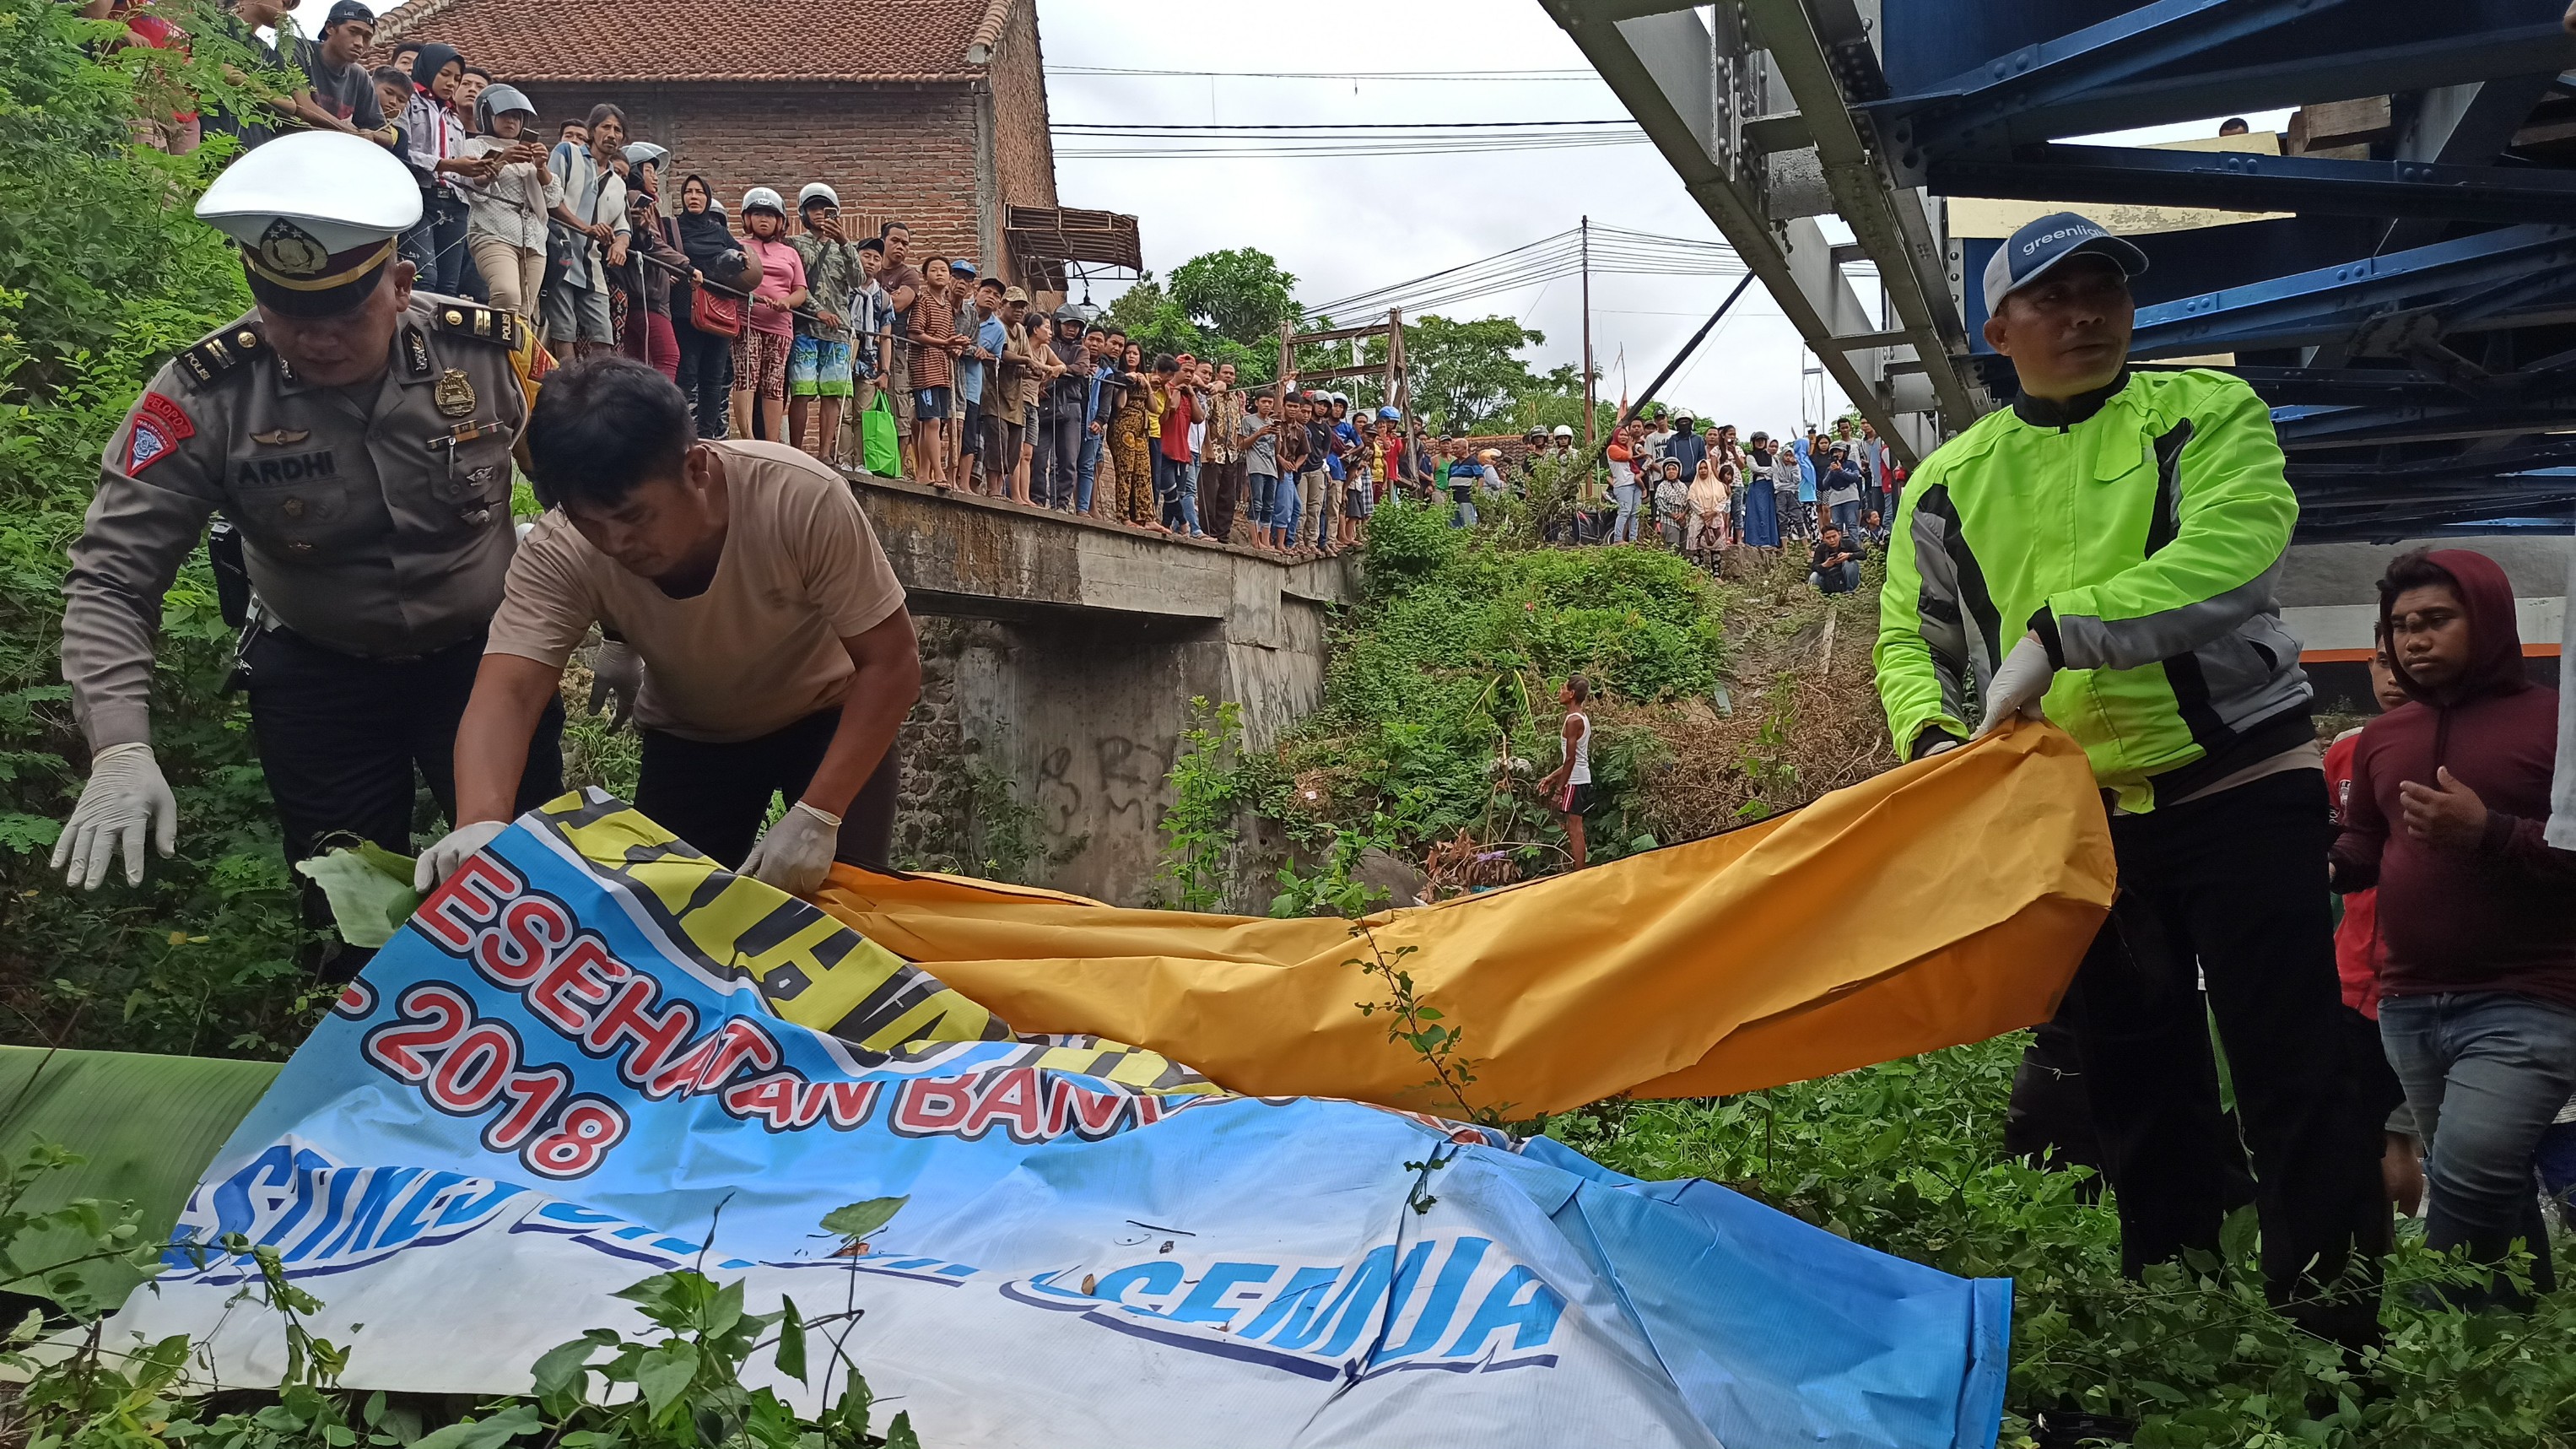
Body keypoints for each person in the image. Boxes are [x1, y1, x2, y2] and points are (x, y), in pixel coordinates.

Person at [1876, 209, 2384, 1351]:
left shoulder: (2209, 413)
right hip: (2083, 820)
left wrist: (2060, 632)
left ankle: (2339, 1342)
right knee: (2137, 1084)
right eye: (2051, 298)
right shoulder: (1949, 483)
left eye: (2102, 290)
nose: (2084, 314)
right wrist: (1925, 736)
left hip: (2240, 781)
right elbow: (1912, 641)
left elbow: (2233, 554)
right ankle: (2177, 1324)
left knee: (2293, 1067)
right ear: (1996, 326)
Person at [51, 132, 560, 976]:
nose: (313, 339)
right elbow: (113, 572)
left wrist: (623, 628)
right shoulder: (205, 396)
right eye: (287, 314)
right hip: (321, 676)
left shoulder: (492, 353)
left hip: (487, 661)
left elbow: (585, 492)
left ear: (400, 285)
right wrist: (119, 744)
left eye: (341, 314)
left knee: (531, 887)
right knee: (342, 917)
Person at [425, 357, 921, 896]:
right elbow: (511, 689)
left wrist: (820, 813)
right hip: (692, 735)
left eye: (636, 517)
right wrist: (479, 818)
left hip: (828, 717)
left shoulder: (798, 497)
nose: (616, 544)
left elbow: (890, 661)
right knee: (670, 927)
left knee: (852, 912)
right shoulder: (559, 548)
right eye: (591, 523)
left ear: (695, 469)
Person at [2330, 549, 2576, 1310]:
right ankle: (2513, 1340)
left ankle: (2425, 1337)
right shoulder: (2383, 736)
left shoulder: (2555, 724)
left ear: (2488, 618)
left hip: (2530, 995)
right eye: (2400, 626)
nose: (2413, 640)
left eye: (2435, 620)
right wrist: (2308, 862)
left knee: (2468, 1169)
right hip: (2408, 1002)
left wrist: (2489, 831)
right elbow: (2363, 851)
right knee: (2489, 1181)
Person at [2324, 636, 2428, 1226]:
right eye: (2382, 660)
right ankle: (2370, 1257)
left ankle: (2402, 1258)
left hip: (2419, 977)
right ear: (2367, 663)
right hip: (2348, 976)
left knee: (2397, 1137)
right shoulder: (2344, 751)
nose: (2393, 673)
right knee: (2355, 1129)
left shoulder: (2452, 745)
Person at [454, 86, 564, 322]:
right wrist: (503, 159)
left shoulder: (530, 151)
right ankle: (493, 356)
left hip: (534, 238)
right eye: (504, 115)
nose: (511, 121)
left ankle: (515, 359)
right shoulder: (477, 145)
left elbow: (553, 199)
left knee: (525, 311)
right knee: (506, 295)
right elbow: (475, 184)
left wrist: (542, 167)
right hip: (493, 231)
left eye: (516, 116)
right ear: (488, 116)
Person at [544, 105, 629, 360]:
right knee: (564, 334)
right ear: (592, 130)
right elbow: (550, 198)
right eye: (606, 127)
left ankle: (598, 394)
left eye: (618, 130)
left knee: (603, 337)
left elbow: (623, 226)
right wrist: (585, 227)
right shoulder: (567, 153)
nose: (612, 134)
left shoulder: (618, 183)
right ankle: (568, 393)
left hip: (591, 264)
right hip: (559, 254)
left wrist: (620, 245)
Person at [397, 44, 482, 296]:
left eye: (457, 78)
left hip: (455, 203)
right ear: (428, 68)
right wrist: (446, 165)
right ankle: (412, 334)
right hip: (419, 197)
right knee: (424, 277)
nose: (451, 83)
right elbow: (400, 151)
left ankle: (439, 337)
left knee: (449, 286)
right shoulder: (407, 101)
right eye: (445, 74)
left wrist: (477, 169)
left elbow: (459, 169)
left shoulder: (453, 117)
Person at [672, 176, 745, 440]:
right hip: (685, 309)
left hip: (720, 310)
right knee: (687, 373)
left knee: (713, 378)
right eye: (689, 192)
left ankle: (706, 437)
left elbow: (742, 259)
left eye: (699, 192)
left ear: (707, 198)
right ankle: (678, 436)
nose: (694, 197)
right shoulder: (673, 228)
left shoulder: (719, 231)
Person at [730, 187, 804, 446]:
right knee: (746, 376)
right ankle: (748, 437)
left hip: (780, 325)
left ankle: (772, 442)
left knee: (774, 383)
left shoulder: (790, 253)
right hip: (746, 321)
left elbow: (800, 291)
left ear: (780, 221)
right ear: (747, 218)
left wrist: (785, 302)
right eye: (758, 214)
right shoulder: (737, 246)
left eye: (770, 215)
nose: (764, 219)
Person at [291, 1, 397, 147]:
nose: (360, 43)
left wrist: (369, 134)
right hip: (292, 146)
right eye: (353, 32)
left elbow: (387, 136)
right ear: (330, 28)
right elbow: (303, 107)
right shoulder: (298, 50)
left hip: (335, 154)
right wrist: (353, 132)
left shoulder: (360, 76)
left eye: (367, 37)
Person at [1536, 676, 1593, 870]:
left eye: (1563, 689)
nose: (1560, 692)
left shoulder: (1573, 721)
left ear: (1572, 694)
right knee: (1572, 825)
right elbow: (1574, 758)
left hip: (1575, 781)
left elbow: (1571, 759)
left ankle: (1579, 872)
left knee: (1575, 827)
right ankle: (1579, 869)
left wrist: (1559, 790)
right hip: (1577, 777)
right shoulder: (1580, 718)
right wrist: (1552, 777)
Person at [1239, 390, 1282, 551]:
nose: (1267, 405)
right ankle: (1255, 541)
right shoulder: (1248, 420)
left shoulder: (1272, 422)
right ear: (1257, 403)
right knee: (1256, 503)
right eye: (1264, 402)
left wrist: (1278, 436)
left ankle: (1265, 541)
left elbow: (1278, 450)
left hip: (1271, 469)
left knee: (1269, 506)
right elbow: (1242, 445)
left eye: (1270, 403)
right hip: (1256, 467)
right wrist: (1259, 433)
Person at [1691, 460, 1732, 566]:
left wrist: (1713, 513)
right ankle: (1698, 576)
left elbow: (1723, 500)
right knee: (1698, 548)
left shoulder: (1719, 486)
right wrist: (1703, 514)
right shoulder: (1694, 486)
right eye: (1700, 468)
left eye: (1705, 468)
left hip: (1715, 519)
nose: (1703, 470)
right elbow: (1692, 501)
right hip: (1699, 519)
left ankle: (1716, 576)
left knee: (1715, 548)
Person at [1606, 420, 1640, 543]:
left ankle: (1633, 539)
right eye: (1621, 435)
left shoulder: (1627, 448)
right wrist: (1630, 447)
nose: (1624, 437)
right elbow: (1628, 457)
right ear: (1616, 436)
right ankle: (1618, 539)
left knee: (1635, 513)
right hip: (1623, 485)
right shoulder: (1612, 448)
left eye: (1626, 435)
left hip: (1634, 483)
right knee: (1625, 512)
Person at [1821, 444, 1865, 535]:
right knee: (1837, 526)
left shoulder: (1852, 464)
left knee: (1852, 524)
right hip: (1835, 500)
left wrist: (1841, 471)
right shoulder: (1829, 468)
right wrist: (1831, 472)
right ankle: (1838, 547)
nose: (1837, 454)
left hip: (1851, 498)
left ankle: (1855, 547)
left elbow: (1855, 477)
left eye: (1839, 451)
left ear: (1844, 452)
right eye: (1835, 452)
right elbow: (1825, 485)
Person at [1809, 524, 1862, 593]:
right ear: (1823, 538)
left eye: (1834, 536)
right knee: (1814, 576)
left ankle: (1850, 591)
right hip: (1828, 579)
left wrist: (1849, 555)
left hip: (1845, 576)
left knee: (1850, 563)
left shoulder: (1848, 543)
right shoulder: (1821, 548)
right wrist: (1825, 565)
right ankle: (1818, 595)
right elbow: (1813, 567)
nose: (1832, 540)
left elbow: (1863, 554)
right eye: (1828, 538)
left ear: (1839, 534)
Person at [1653, 458, 1691, 551]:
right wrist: (1672, 515)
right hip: (1668, 521)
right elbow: (1660, 503)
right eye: (1668, 469)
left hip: (1682, 521)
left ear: (1678, 471)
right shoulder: (1662, 486)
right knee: (1672, 547)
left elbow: (1689, 502)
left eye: (1674, 469)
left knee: (1682, 548)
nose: (1671, 472)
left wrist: (1683, 515)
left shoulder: (1683, 486)